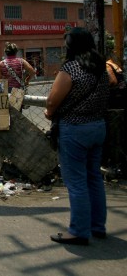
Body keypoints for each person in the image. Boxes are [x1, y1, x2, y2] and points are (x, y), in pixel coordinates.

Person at [44, 27, 110, 246]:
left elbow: (52, 101)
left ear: (70, 45)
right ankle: (97, 226)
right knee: (94, 178)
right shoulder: (101, 66)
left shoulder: (70, 68)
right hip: (98, 126)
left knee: (77, 183)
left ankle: (79, 231)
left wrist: (49, 113)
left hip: (74, 129)